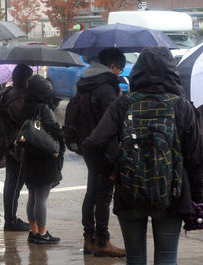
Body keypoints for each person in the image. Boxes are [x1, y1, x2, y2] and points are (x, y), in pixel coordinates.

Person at [84, 47, 203, 265]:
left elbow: (93, 144)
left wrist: (112, 172)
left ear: (138, 71)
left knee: (135, 259)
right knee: (167, 259)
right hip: (171, 193)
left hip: (129, 192)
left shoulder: (123, 103)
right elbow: (196, 158)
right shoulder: (181, 105)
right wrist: (196, 197)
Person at [77, 48, 126, 257]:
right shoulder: (106, 88)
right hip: (105, 148)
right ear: (113, 67)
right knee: (104, 196)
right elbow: (112, 123)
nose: (119, 74)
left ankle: (89, 239)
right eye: (120, 70)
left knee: (91, 193)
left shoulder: (86, 82)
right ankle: (103, 241)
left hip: (88, 145)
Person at [21, 75, 65, 244]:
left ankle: (33, 231)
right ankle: (42, 233)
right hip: (45, 156)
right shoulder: (44, 108)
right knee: (41, 198)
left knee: (32, 195)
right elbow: (56, 129)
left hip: (29, 155)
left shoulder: (26, 106)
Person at [2, 64, 34, 231]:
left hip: (10, 144)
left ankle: (11, 218)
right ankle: (10, 220)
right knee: (14, 184)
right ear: (24, 79)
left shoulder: (8, 93)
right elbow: (24, 122)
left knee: (12, 182)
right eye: (30, 78)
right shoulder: (18, 98)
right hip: (16, 147)